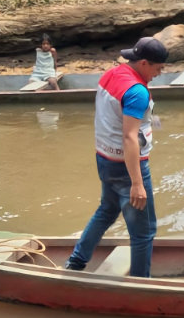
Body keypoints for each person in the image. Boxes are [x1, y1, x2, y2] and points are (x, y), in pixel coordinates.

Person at [65, 36, 168, 278]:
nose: (159, 73)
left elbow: (113, 114)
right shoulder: (137, 92)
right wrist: (137, 184)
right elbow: (130, 138)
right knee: (144, 232)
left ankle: (76, 263)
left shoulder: (111, 75)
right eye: (158, 68)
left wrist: (150, 120)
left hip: (104, 159)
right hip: (128, 167)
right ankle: (141, 285)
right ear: (144, 63)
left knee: (107, 210)